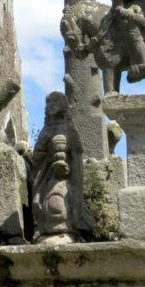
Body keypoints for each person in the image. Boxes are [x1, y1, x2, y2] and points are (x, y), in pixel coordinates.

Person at [32, 91, 94, 240]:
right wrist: (45, 155)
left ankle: (67, 228)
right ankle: (43, 228)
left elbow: (76, 158)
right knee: (38, 203)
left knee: (57, 204)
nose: (50, 106)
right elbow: (37, 158)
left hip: (64, 180)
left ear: (62, 105)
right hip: (47, 177)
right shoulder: (45, 130)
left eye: (54, 102)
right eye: (48, 103)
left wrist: (67, 168)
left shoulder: (70, 130)